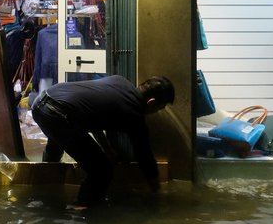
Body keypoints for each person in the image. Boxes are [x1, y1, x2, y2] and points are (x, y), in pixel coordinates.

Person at [31, 74, 175, 207]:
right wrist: (156, 189)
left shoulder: (120, 81)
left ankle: (43, 191)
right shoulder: (134, 114)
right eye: (159, 108)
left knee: (57, 142)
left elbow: (92, 117)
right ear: (151, 102)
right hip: (58, 115)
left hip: (41, 103)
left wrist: (107, 149)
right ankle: (84, 210)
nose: (156, 112)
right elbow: (144, 154)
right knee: (102, 170)